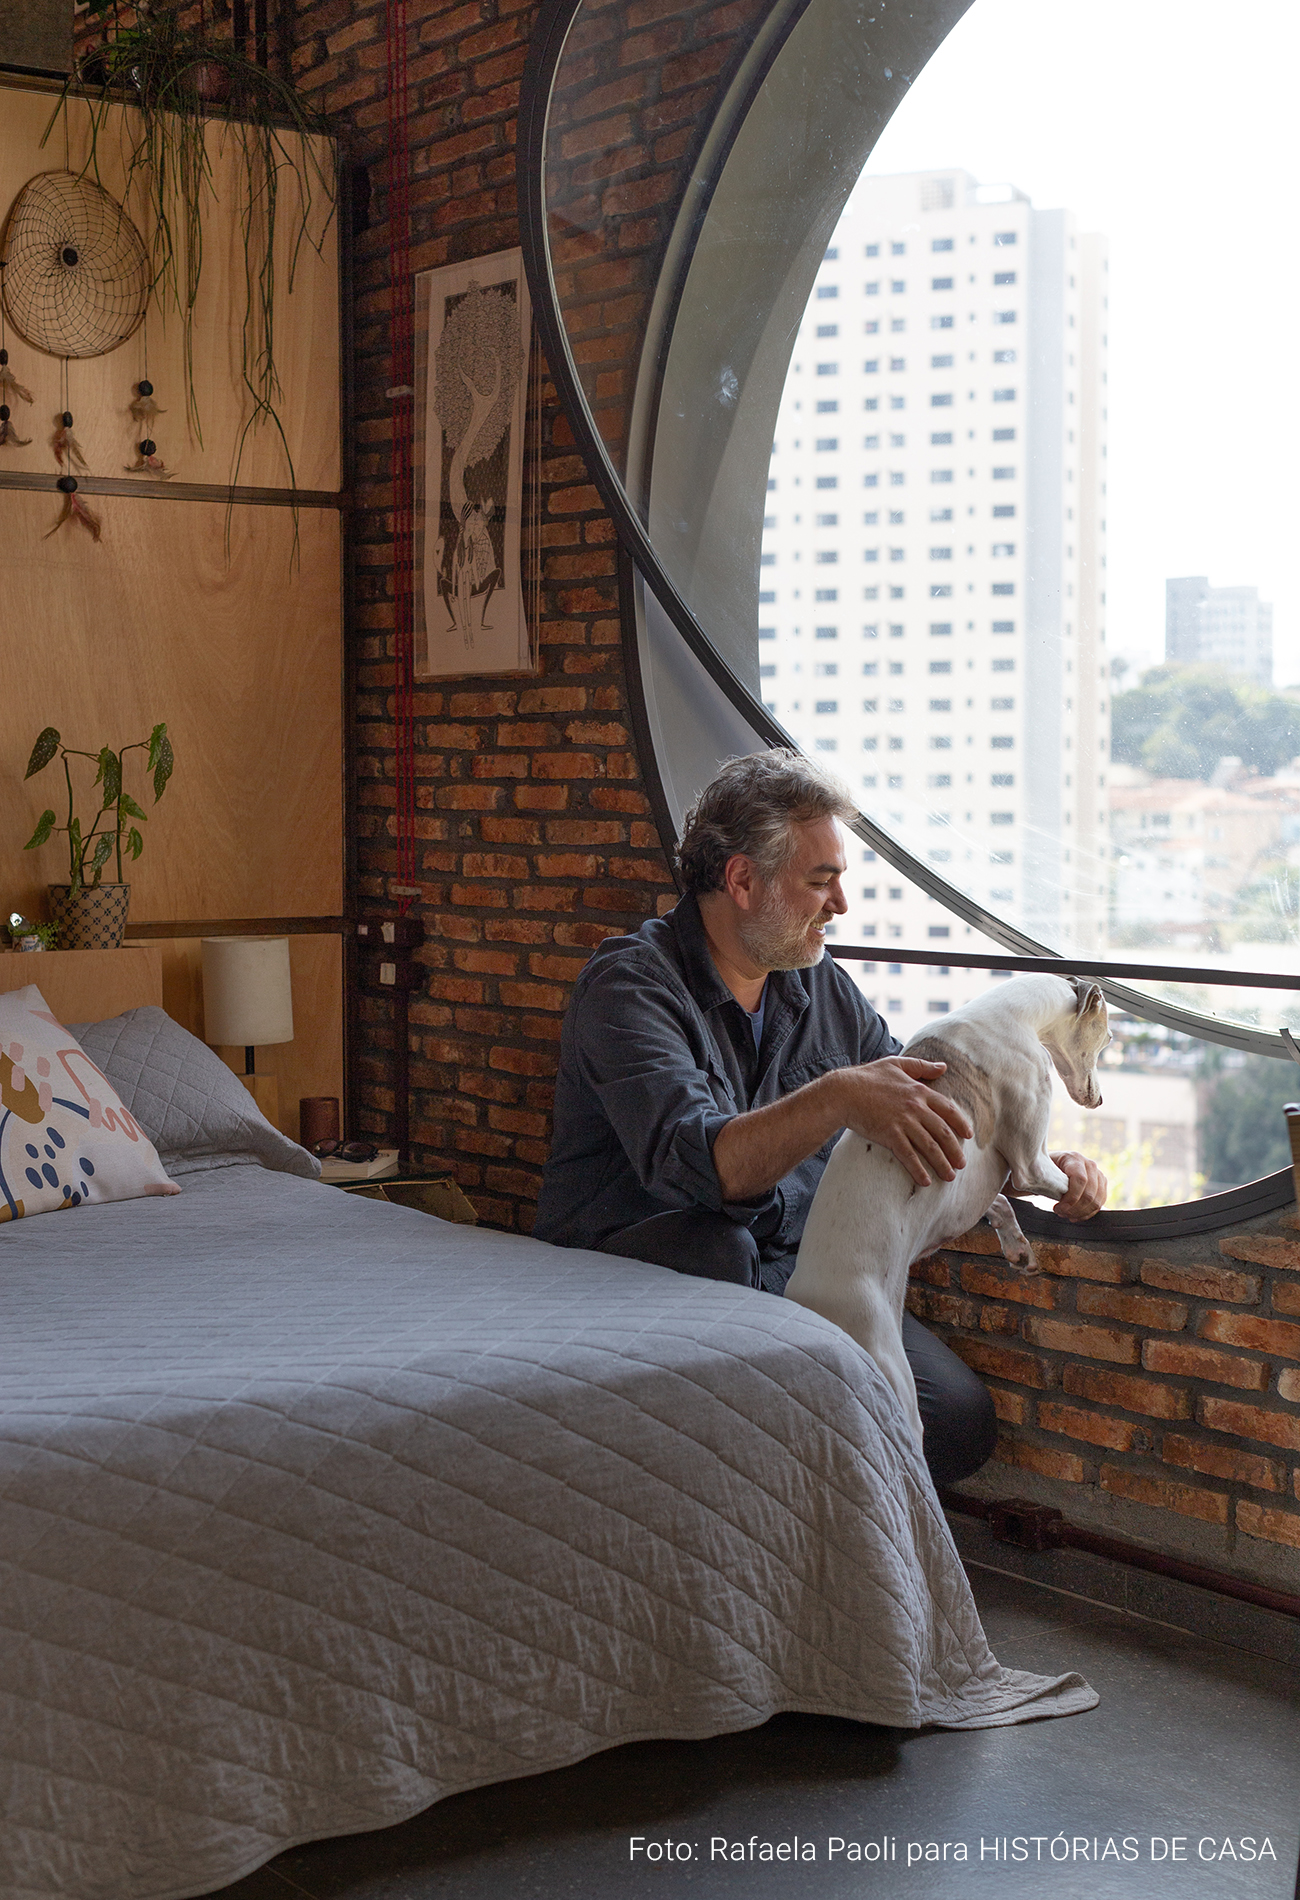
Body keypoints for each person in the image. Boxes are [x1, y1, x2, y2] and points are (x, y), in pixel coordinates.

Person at [535, 749, 1107, 1486]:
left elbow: (923, 1120)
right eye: (820, 880)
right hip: (646, 1268)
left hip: (792, 1273)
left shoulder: (821, 987)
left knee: (958, 1424)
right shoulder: (628, 986)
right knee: (737, 1275)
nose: (840, 905)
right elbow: (704, 1169)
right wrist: (837, 1096)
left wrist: (1043, 1171)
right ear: (742, 880)